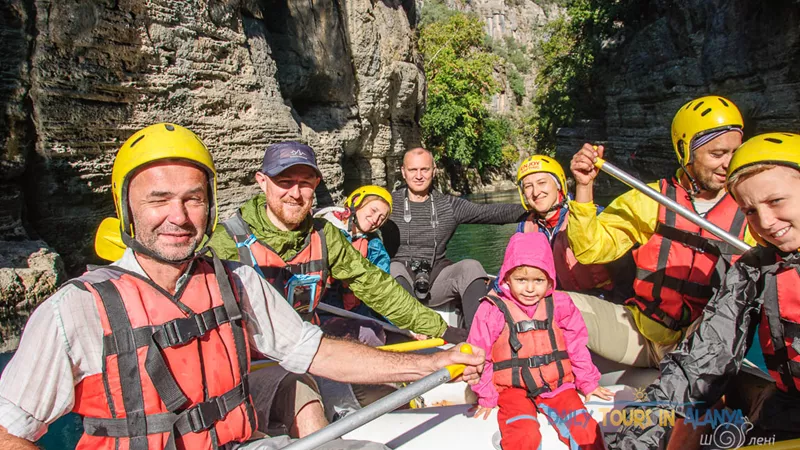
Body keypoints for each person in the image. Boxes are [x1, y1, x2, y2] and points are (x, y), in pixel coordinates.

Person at [0, 123, 485, 450]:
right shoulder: (76, 311)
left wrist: (438, 355)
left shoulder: (235, 282)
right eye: (158, 199)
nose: (178, 215)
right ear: (126, 209)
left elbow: (318, 349)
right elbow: (8, 430)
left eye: (193, 198)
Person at [608, 132, 800, 449]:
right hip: (787, 410)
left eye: (775, 201)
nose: (765, 222)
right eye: (749, 211)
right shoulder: (755, 269)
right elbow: (703, 360)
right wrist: (639, 435)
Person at [206, 142, 467, 344]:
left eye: (305, 183)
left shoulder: (325, 235)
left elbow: (377, 287)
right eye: (285, 182)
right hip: (253, 357)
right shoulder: (226, 241)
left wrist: (442, 330)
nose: (295, 194)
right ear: (262, 182)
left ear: (316, 184)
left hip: (308, 342)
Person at [567, 95, 756, 368]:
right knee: (548, 306)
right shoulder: (651, 199)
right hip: (641, 334)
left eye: (734, 153)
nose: (728, 163)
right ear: (686, 152)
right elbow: (589, 250)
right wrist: (584, 187)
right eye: (716, 154)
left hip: (702, 348)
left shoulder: (752, 209)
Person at [468, 232, 612, 450]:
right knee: (523, 436)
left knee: (586, 431)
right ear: (506, 277)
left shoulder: (561, 304)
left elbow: (576, 345)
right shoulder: (492, 310)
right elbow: (478, 355)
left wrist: (588, 382)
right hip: (511, 389)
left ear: (550, 279)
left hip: (557, 386)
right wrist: (486, 396)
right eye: (521, 280)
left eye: (538, 281)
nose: (529, 288)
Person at [382, 147, 526, 330]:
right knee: (391, 267)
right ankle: (409, 332)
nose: (419, 176)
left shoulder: (449, 206)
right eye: (413, 170)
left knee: (471, 266)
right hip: (400, 280)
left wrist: (533, 209)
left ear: (434, 170)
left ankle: (478, 336)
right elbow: (363, 216)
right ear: (403, 172)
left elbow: (491, 213)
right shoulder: (388, 204)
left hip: (437, 281)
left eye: (424, 169)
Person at [512, 154, 633, 301]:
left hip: (603, 301)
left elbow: (626, 271)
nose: (536, 192)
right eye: (528, 186)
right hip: (557, 302)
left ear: (558, 185)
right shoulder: (526, 227)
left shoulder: (590, 217)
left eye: (542, 182)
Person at [314, 185, 394, 334]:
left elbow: (382, 290)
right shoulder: (319, 230)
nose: (376, 220)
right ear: (356, 202)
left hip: (355, 312)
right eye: (373, 210)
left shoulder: (373, 246)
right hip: (319, 310)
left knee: (379, 334)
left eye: (382, 218)